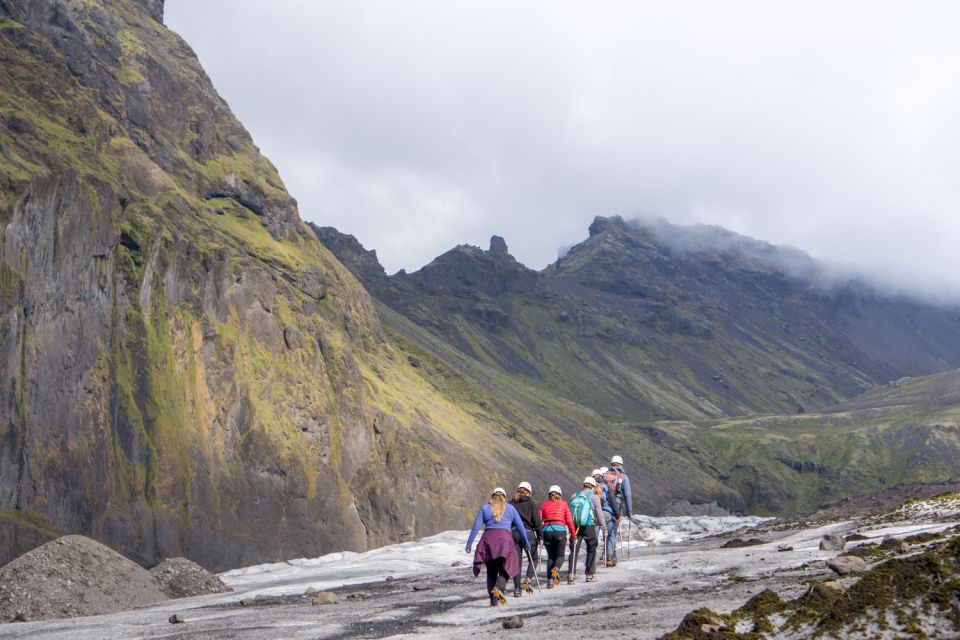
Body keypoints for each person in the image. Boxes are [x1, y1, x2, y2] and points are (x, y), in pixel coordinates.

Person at [466, 487, 531, 606]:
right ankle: (498, 587)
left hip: (488, 541)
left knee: (491, 572)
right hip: (505, 541)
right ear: (504, 497)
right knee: (509, 566)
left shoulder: (485, 508)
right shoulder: (510, 508)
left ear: (492, 496)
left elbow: (476, 526)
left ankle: (493, 601)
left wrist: (469, 544)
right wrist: (526, 543)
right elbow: (521, 527)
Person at [566, 476, 604, 583]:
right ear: (592, 486)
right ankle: (589, 574)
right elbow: (599, 514)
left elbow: (569, 513)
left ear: (584, 485)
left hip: (575, 527)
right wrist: (604, 527)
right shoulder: (594, 497)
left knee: (574, 551)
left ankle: (571, 574)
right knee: (591, 549)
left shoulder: (574, 496)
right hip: (589, 527)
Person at [538, 485, 575, 588]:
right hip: (560, 531)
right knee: (560, 556)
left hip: (547, 531)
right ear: (560, 494)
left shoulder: (544, 505)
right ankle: (556, 568)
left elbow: (538, 521)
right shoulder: (564, 504)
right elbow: (569, 521)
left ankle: (549, 581)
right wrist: (573, 534)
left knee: (550, 557)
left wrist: (539, 536)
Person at [509, 481, 542, 597]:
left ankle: (517, 589)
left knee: (516, 562)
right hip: (528, 533)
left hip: (513, 533)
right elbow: (537, 522)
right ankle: (528, 579)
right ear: (528, 492)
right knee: (534, 558)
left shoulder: (511, 503)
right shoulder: (531, 503)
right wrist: (540, 536)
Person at [600, 466, 622, 566]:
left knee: (598, 536)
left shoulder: (595, 487)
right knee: (611, 535)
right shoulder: (610, 486)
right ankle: (609, 557)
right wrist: (618, 516)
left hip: (596, 514)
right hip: (608, 512)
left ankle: (596, 557)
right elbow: (614, 500)